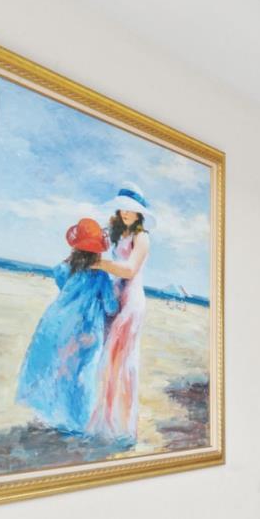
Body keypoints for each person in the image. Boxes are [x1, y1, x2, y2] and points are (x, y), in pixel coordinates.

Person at [15, 218, 120, 434]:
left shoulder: (64, 268)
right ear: (98, 251)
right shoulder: (100, 276)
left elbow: (62, 280)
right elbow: (110, 307)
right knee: (80, 375)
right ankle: (75, 425)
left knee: (54, 368)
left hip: (56, 323)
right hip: (85, 330)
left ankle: (47, 417)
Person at [90, 182, 155, 445]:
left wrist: (99, 263)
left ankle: (123, 429)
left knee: (123, 362)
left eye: (131, 210)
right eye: (123, 208)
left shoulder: (142, 237)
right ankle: (105, 424)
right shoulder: (116, 233)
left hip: (131, 302)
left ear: (140, 213)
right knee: (107, 361)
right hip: (114, 301)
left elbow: (129, 270)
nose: (126, 213)